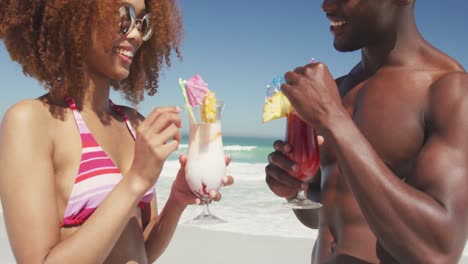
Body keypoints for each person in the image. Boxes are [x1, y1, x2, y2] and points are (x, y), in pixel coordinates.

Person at [0, 0, 233, 263]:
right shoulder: (30, 121)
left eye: (142, 24)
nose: (135, 34)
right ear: (77, 14)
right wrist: (135, 181)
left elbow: (142, 249)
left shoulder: (134, 123)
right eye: (124, 16)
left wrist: (176, 201)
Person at [265, 0, 468, 263]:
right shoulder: (337, 89)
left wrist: (333, 119)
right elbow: (326, 217)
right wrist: (293, 191)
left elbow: (438, 251)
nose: (326, 5)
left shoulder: (448, 90)